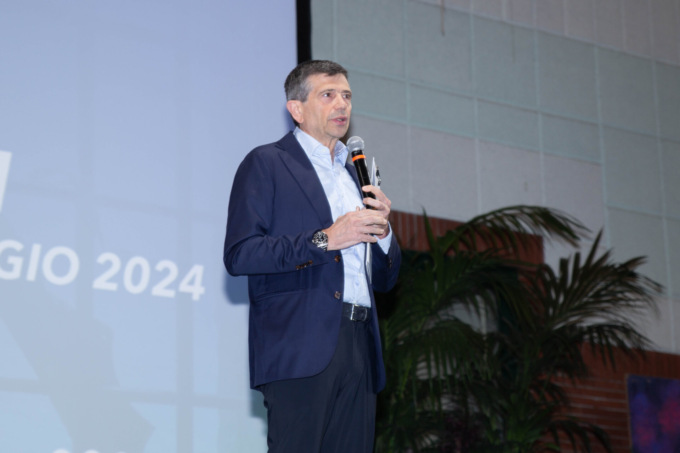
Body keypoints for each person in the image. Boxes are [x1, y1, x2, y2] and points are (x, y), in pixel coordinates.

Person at [223, 59, 401, 453]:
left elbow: (386, 280)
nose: (342, 104)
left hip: (360, 344)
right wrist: (326, 239)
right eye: (328, 95)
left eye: (347, 96)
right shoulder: (268, 163)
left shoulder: (357, 177)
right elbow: (240, 254)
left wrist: (385, 233)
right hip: (300, 344)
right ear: (297, 109)